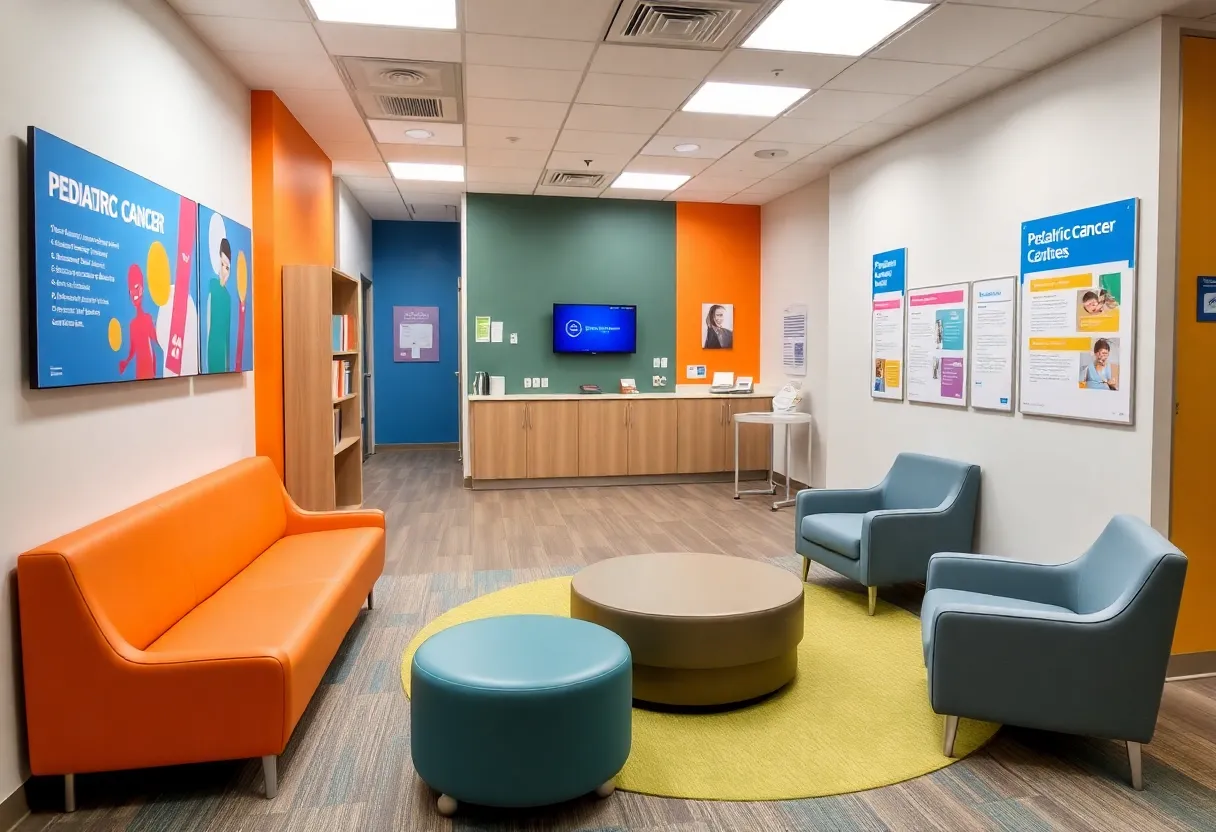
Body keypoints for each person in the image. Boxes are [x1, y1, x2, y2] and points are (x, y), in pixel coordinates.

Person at [118, 264, 161, 380]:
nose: (134, 294)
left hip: (150, 368)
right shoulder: (132, 324)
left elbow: (157, 340)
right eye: (131, 290)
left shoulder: (148, 318)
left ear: (143, 288)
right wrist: (125, 362)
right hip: (140, 371)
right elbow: (133, 350)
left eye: (137, 287)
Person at [207, 237, 232, 373]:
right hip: (212, 349)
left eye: (227, 267)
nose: (224, 271)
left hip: (223, 354)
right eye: (222, 264)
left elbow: (227, 334)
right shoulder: (211, 285)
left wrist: (228, 366)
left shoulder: (228, 298)